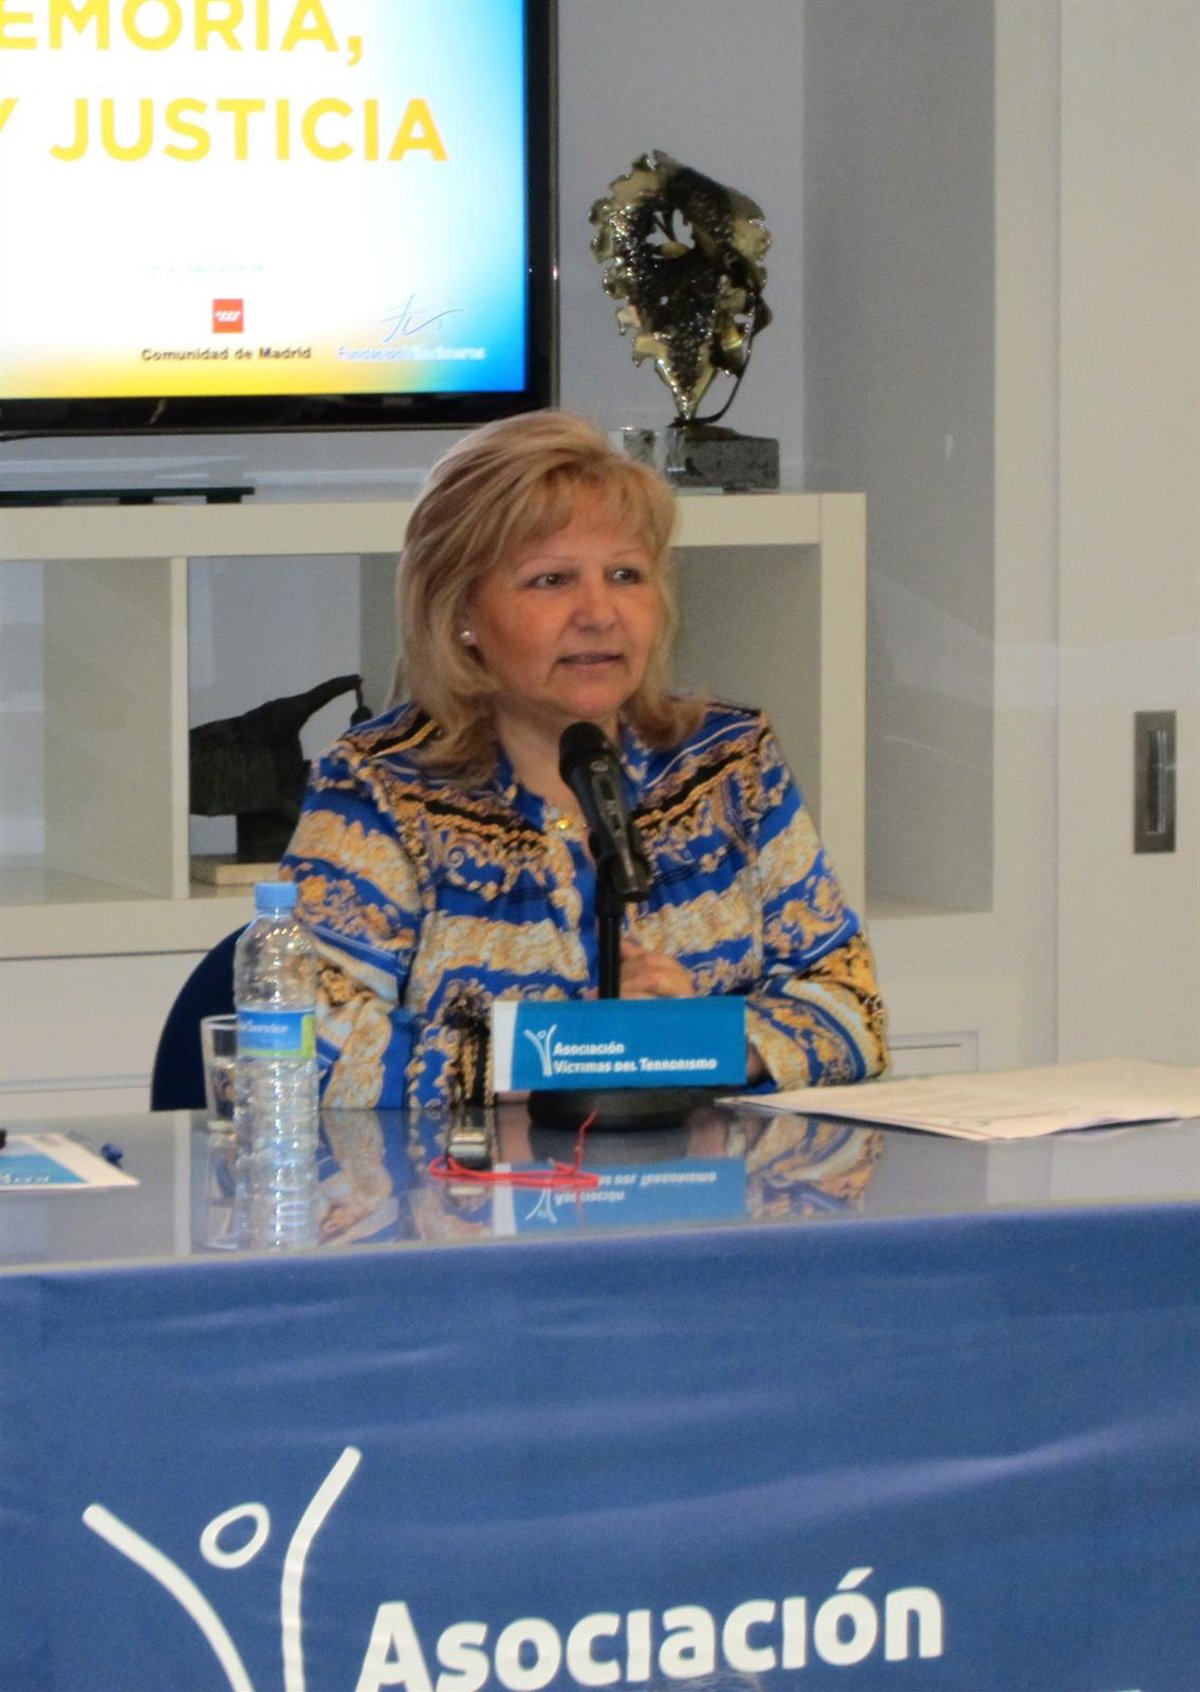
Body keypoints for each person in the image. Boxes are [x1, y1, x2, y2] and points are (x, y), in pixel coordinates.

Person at [281, 410, 888, 1112]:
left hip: (695, 1177)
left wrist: (693, 1039)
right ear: (460, 612)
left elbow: (851, 1010)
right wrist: (582, 1047)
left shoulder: (727, 761)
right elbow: (301, 1046)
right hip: (467, 1182)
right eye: (552, 580)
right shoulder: (379, 787)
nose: (600, 613)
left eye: (626, 574)